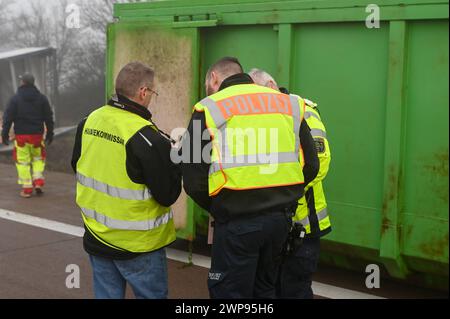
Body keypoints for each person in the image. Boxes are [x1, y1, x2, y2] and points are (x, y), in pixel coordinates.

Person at [181, 57, 319, 299]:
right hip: (280, 223)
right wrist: (284, 197)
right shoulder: (288, 105)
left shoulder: (207, 108)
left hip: (236, 223)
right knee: (265, 290)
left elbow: (193, 181)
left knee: (230, 294)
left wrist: (222, 205)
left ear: (214, 77)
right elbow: (311, 165)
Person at [71, 61, 181, 299]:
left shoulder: (89, 120)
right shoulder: (147, 137)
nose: (151, 97)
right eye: (152, 92)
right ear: (143, 92)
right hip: (139, 246)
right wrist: (176, 160)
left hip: (97, 235)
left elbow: (77, 166)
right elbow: (167, 194)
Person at [249, 68, 332, 299]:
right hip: (273, 224)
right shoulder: (261, 113)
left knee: (294, 290)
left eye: (260, 95)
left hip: (302, 225)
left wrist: (282, 193)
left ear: (272, 85)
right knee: (268, 288)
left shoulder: (304, 110)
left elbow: (320, 162)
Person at [1, 73, 54, 198]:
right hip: (37, 136)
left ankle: (27, 188)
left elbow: (8, 118)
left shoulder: (15, 99)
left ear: (23, 82)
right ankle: (38, 181)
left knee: (22, 162)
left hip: (21, 137)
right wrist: (50, 133)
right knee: (38, 159)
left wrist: (4, 134)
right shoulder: (42, 98)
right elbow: (48, 117)